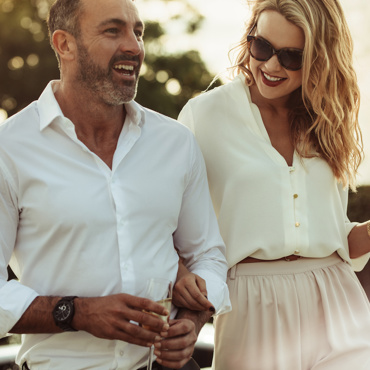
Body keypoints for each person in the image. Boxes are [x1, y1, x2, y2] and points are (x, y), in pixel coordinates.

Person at [0, 0, 231, 369]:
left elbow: (207, 256)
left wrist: (193, 319)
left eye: (137, 32)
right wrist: (77, 313)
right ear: (65, 44)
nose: (134, 46)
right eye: (113, 30)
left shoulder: (176, 143)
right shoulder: (9, 149)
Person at [177, 0, 370, 369]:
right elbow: (173, 228)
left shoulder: (326, 120)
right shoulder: (204, 116)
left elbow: (333, 236)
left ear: (319, 58)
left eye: (291, 56)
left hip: (338, 301)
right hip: (252, 308)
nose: (269, 65)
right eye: (261, 47)